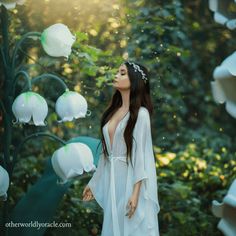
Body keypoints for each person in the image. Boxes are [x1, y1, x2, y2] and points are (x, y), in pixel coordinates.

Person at [82, 61, 160, 236]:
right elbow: (105, 154)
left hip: (130, 179)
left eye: (122, 73)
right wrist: (94, 183)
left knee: (130, 228)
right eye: (118, 72)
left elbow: (140, 156)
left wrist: (135, 193)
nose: (116, 76)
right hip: (113, 180)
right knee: (112, 226)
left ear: (134, 80)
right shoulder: (113, 111)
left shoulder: (141, 115)